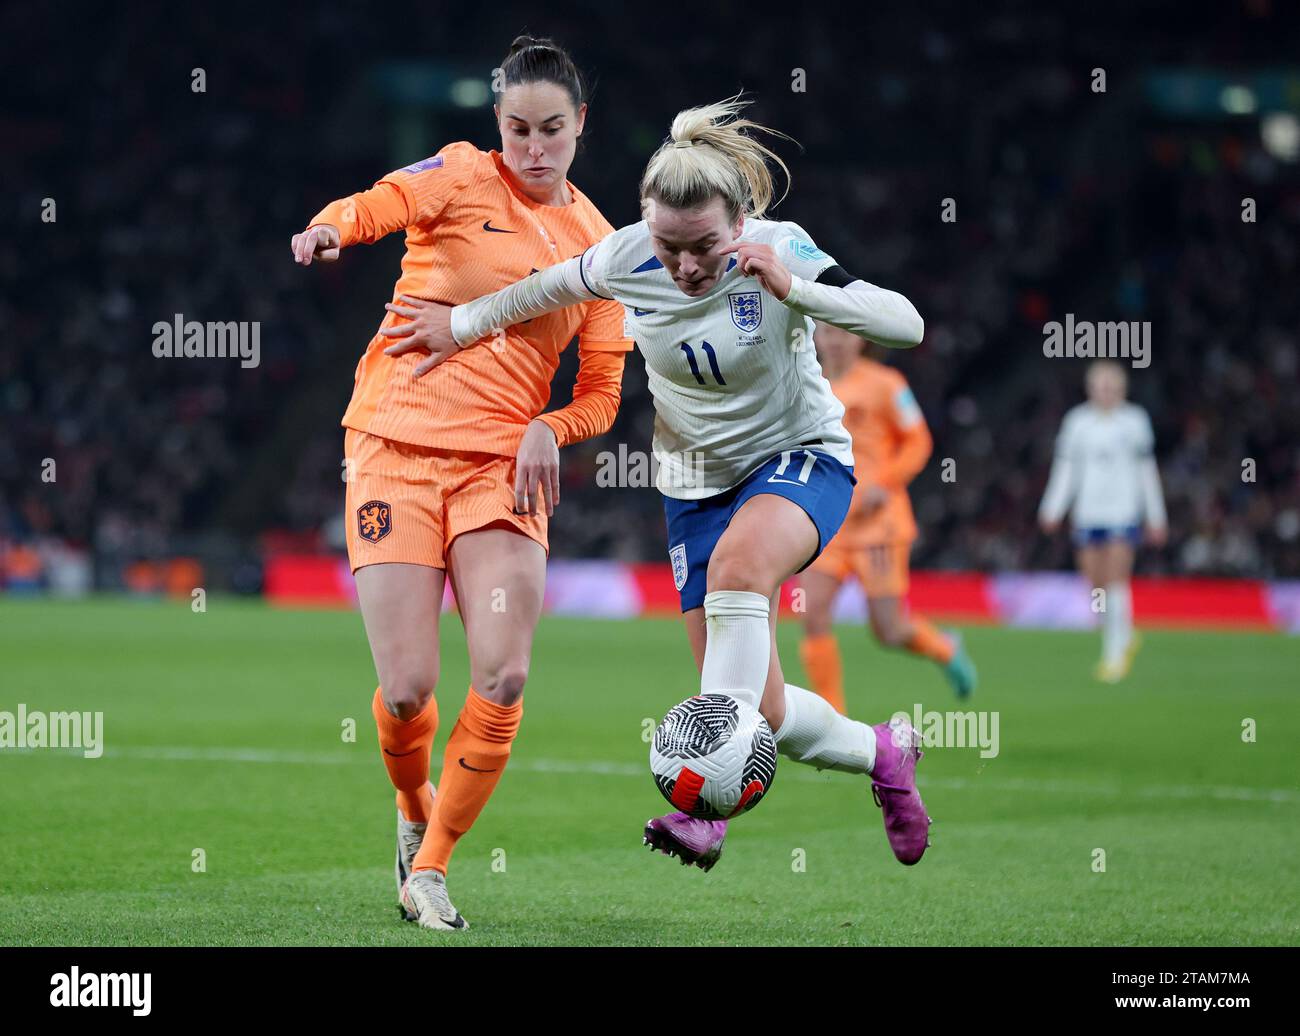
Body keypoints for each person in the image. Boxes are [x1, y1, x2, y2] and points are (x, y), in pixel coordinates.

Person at [384, 96, 934, 872]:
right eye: (670, 247)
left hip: (799, 457)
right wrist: (459, 324)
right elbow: (540, 291)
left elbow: (905, 322)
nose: (684, 267)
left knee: (741, 575)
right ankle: (884, 754)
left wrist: (797, 290)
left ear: (739, 222)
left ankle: (708, 814)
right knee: (763, 708)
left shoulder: (781, 249)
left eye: (702, 247)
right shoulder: (628, 255)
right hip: (693, 485)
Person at [290, 36, 632, 930]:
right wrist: (331, 225)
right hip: (395, 443)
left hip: (499, 469)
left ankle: (432, 869)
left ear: (580, 126)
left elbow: (601, 393)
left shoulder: (603, 249)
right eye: (516, 128)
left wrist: (547, 428)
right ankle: (411, 816)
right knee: (406, 689)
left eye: (551, 129)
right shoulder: (457, 173)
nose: (532, 147)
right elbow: (380, 201)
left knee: (505, 675)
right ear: (497, 125)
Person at [799, 322, 976, 712]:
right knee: (812, 614)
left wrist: (885, 482)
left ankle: (944, 647)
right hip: (826, 522)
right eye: (827, 333)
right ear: (816, 337)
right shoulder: (804, 381)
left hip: (878, 526)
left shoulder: (887, 384)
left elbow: (919, 440)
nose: (836, 341)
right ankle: (832, 717)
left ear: (860, 337)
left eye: (843, 333)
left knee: (889, 630)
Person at [1038, 360, 1167, 683]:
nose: (1106, 392)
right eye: (1101, 386)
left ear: (1122, 389)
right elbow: (1065, 469)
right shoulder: (1077, 422)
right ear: (1090, 389)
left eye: (1112, 386)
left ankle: (1114, 654)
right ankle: (1124, 630)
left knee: (1115, 580)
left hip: (1122, 512)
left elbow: (1146, 472)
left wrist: (1155, 516)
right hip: (1087, 513)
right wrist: (1052, 508)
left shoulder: (1135, 422)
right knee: (1095, 585)